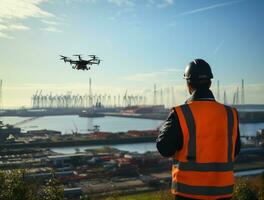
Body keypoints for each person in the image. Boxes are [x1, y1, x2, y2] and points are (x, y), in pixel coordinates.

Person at [156, 59, 241, 200]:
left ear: (188, 85)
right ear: (210, 83)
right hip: (223, 193)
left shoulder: (180, 113)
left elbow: (164, 148)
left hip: (187, 193)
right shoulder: (231, 114)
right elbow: (235, 149)